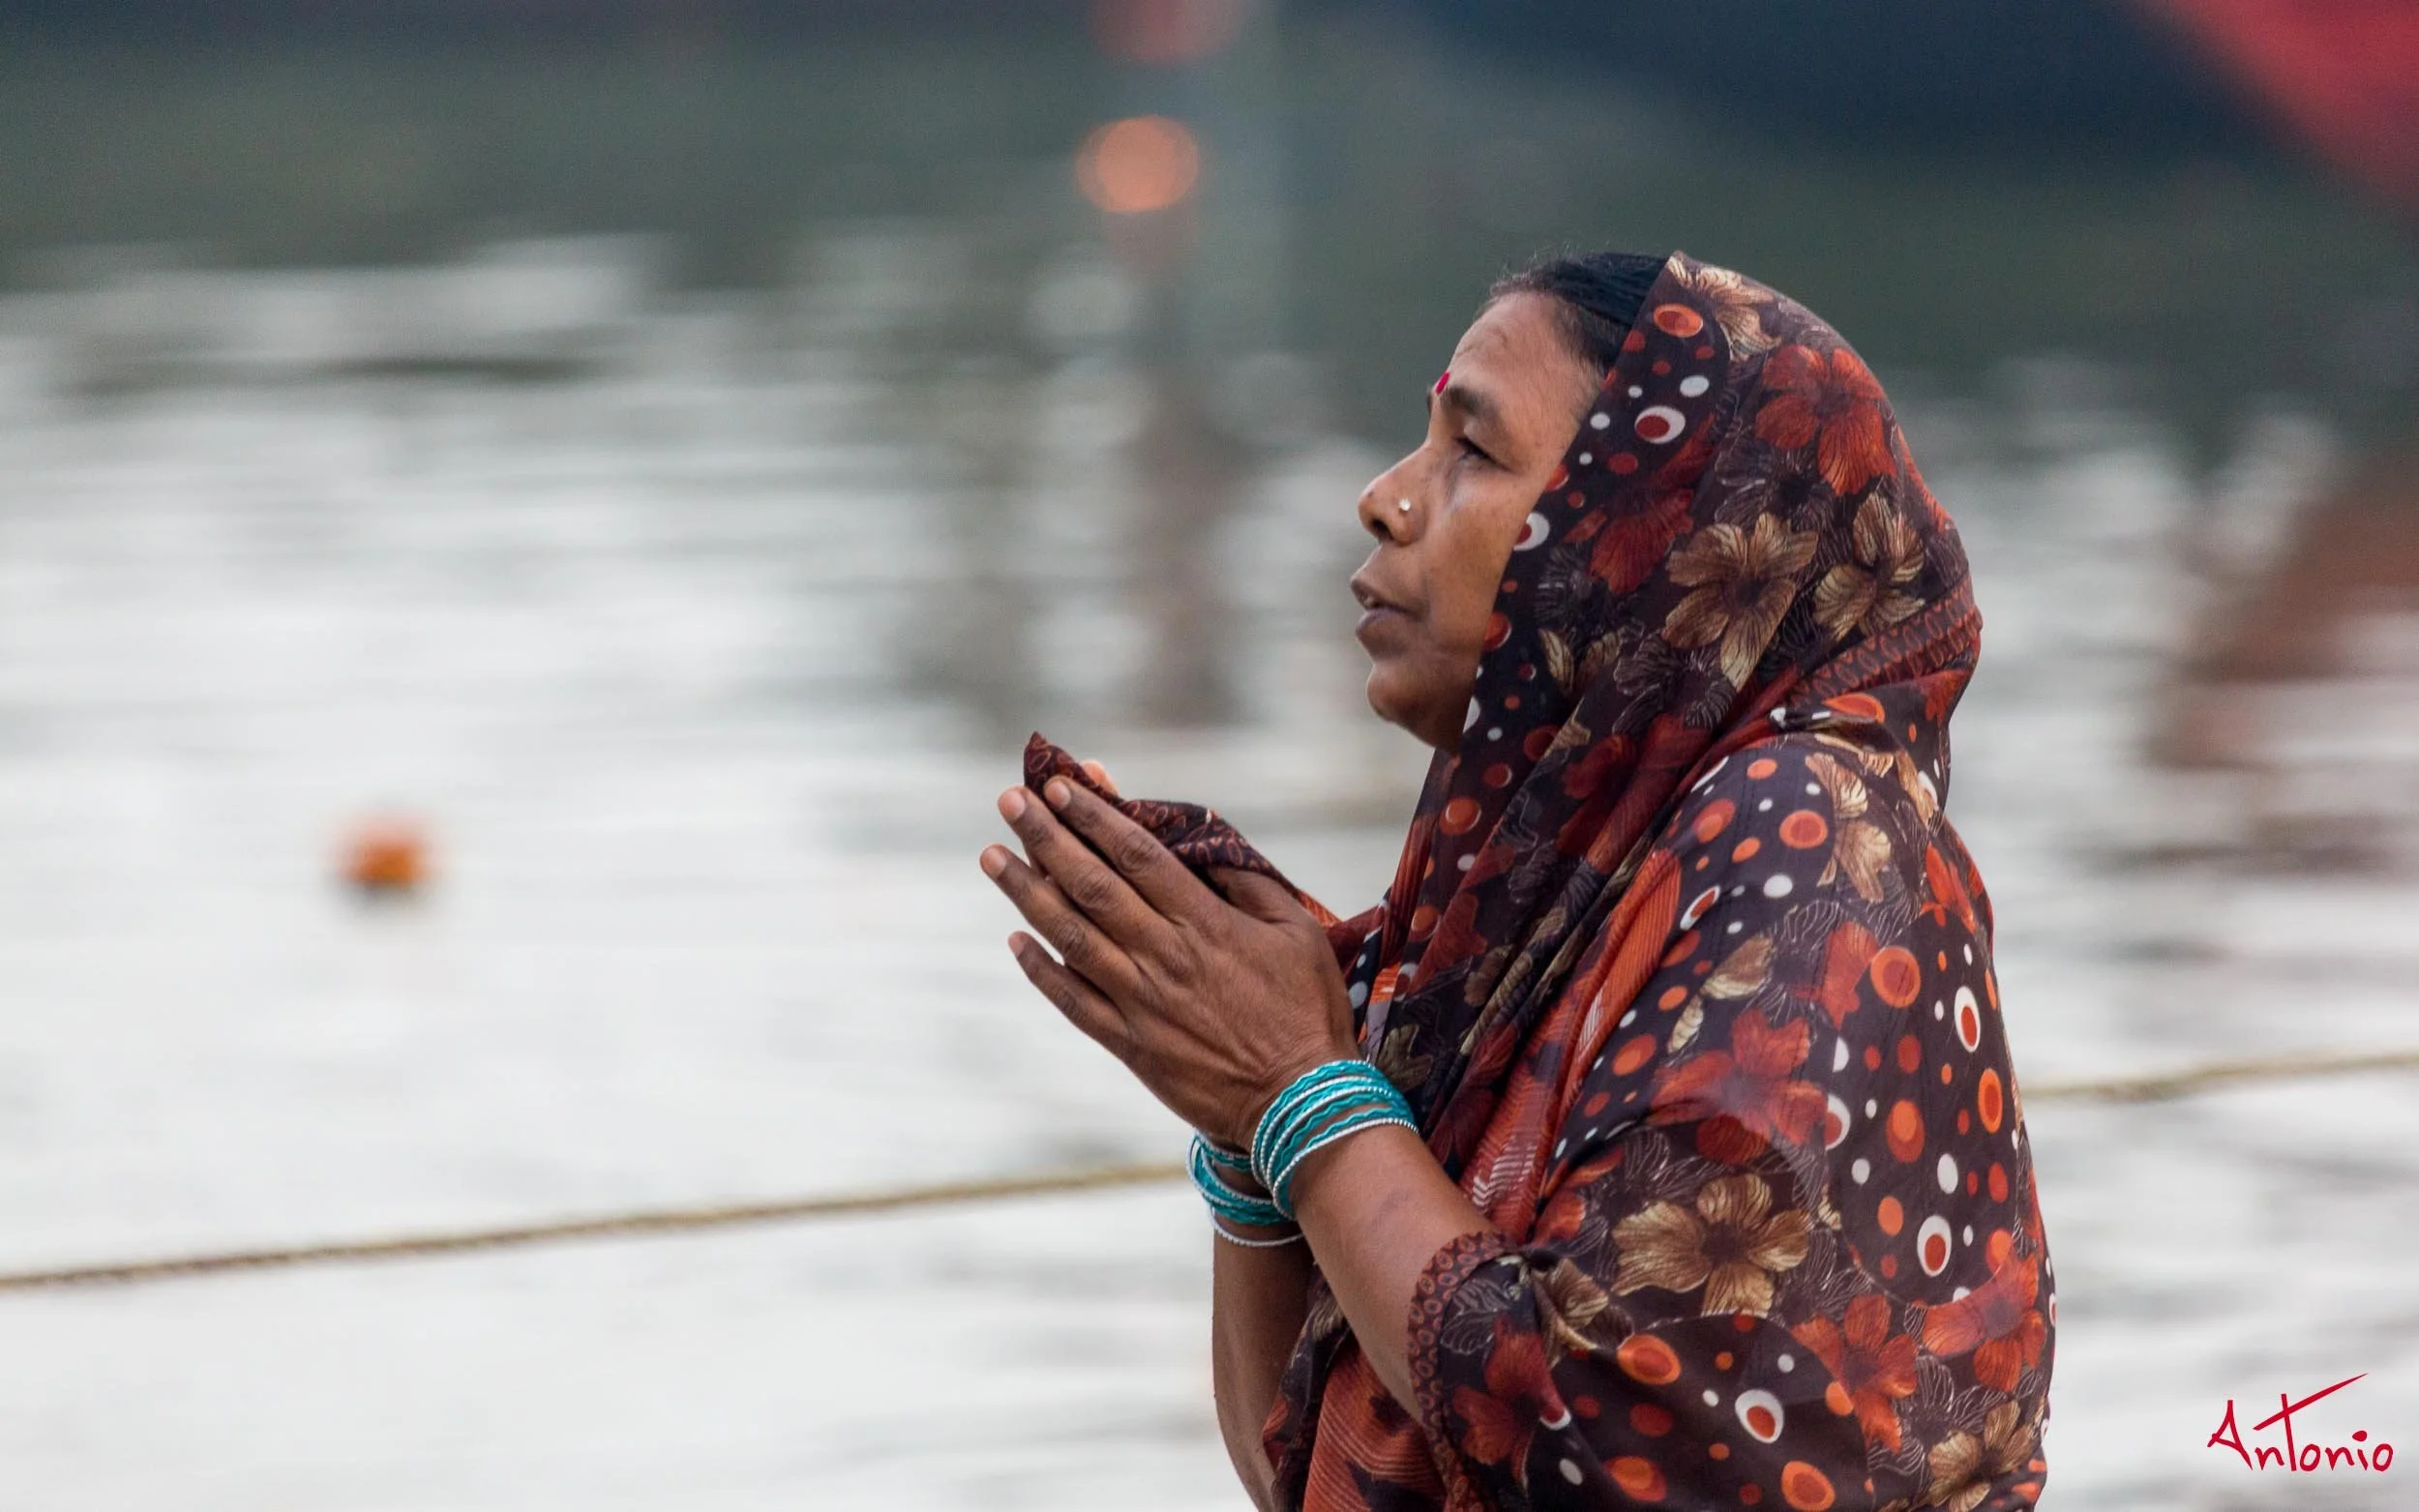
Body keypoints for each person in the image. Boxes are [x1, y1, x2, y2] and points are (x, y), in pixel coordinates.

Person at [979, 251, 2052, 1512]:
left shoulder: (1808, 833)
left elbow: (1610, 1440)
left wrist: (1298, 1090)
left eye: (1474, 452)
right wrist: (1243, 1115)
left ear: (1657, 535)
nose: (1384, 499)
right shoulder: (1538, 896)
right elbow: (1308, 1469)